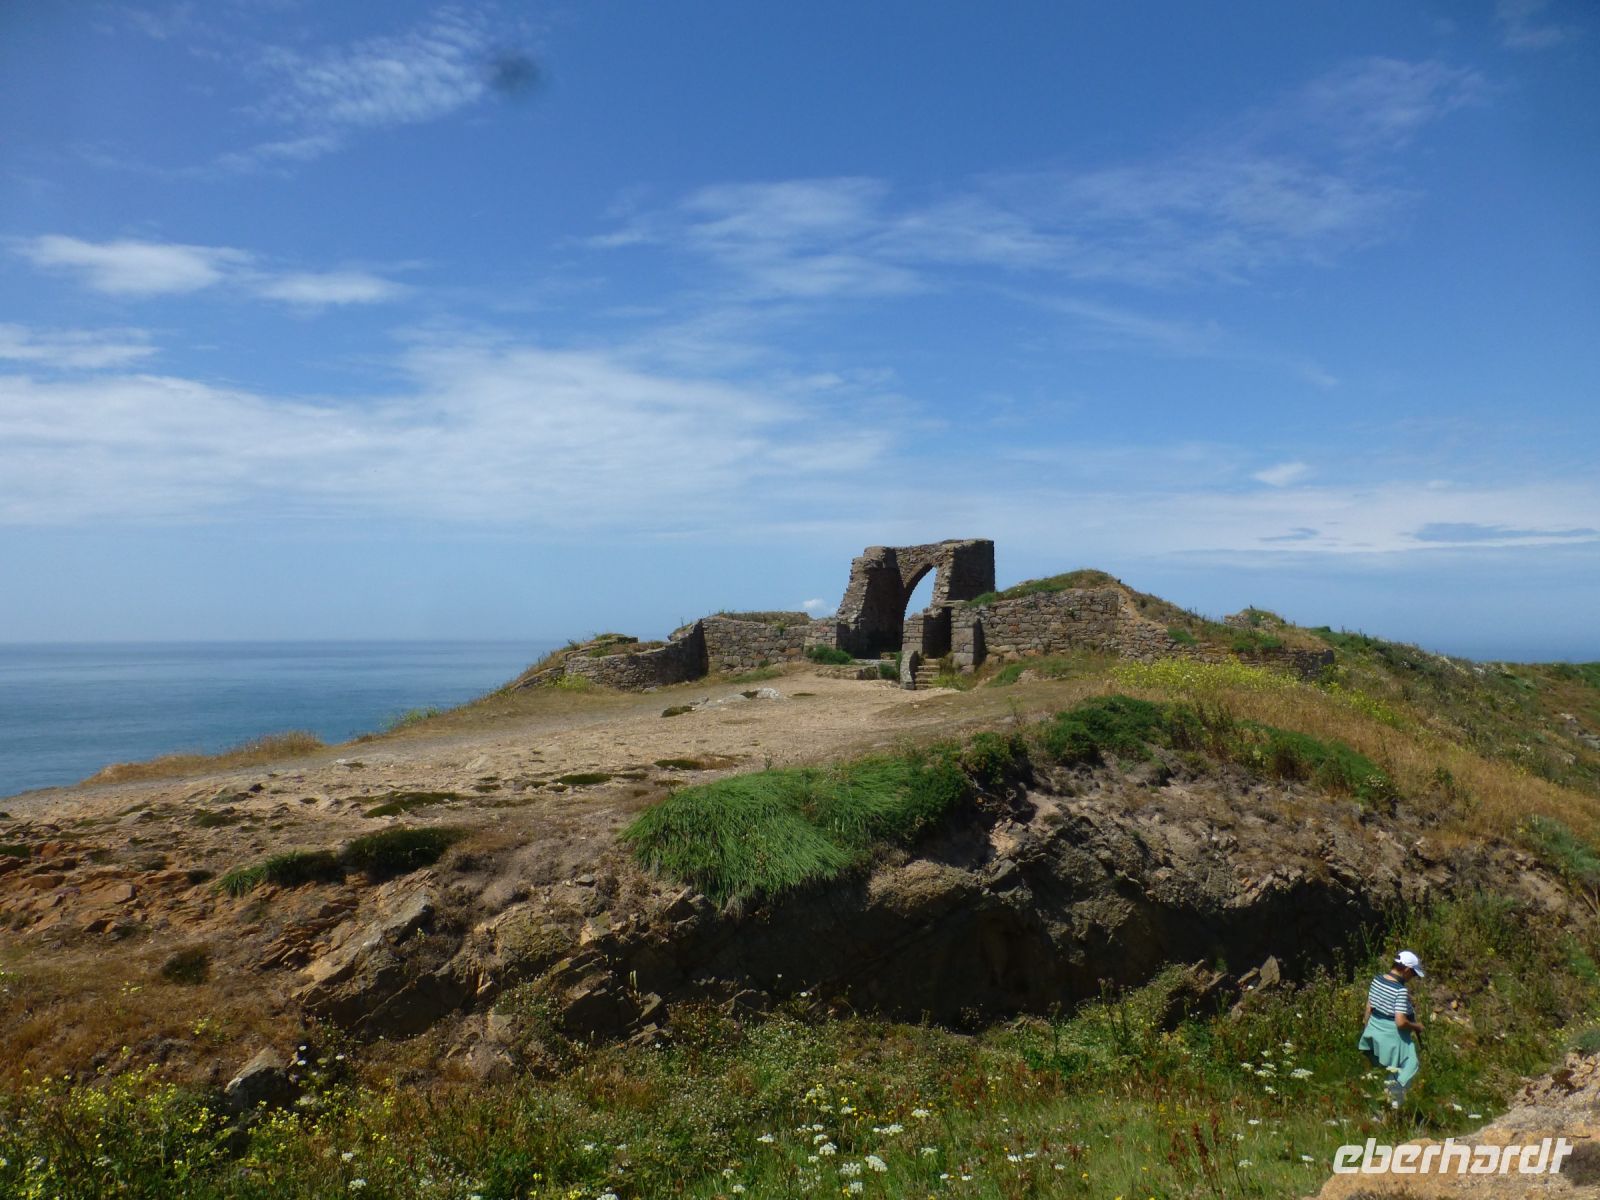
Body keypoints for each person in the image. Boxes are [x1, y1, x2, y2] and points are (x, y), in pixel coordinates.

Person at [1359, 950, 1425, 1108]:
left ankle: (1380, 1104)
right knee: (1408, 1065)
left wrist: (1368, 1031)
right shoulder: (1400, 990)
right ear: (1407, 970)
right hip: (1392, 1035)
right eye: (1413, 975)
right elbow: (1401, 1022)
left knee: (1384, 1071)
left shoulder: (1377, 980)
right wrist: (1417, 1026)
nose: (1412, 978)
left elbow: (1369, 1008)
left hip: (1374, 1030)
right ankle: (1393, 1106)